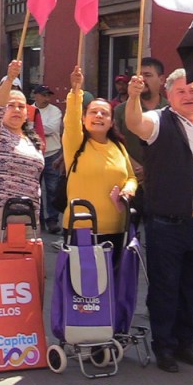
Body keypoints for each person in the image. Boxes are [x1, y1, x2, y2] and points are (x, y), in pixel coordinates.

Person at [125, 68, 193, 373]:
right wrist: (133, 96)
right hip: (168, 223)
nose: (189, 96)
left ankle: (184, 344)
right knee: (165, 288)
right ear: (168, 95)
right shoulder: (158, 119)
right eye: (181, 91)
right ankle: (164, 347)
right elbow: (135, 123)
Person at [62, 66, 137, 255]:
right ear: (84, 119)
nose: (98, 116)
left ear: (112, 122)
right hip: (81, 228)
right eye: (93, 112)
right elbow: (71, 119)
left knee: (113, 282)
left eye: (104, 113)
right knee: (85, 284)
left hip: (118, 229)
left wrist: (129, 189)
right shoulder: (75, 144)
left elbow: (132, 177)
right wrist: (76, 90)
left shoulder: (119, 147)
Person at [0, 60, 45, 242]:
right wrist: (9, 79)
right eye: (11, 105)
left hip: (29, 214)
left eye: (21, 106)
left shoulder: (32, 140)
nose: (16, 109)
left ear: (27, 113)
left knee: (27, 267)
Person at [114, 57, 166, 185]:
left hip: (162, 180)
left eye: (147, 75)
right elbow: (113, 143)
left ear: (161, 79)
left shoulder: (170, 110)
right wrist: (132, 165)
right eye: (138, 75)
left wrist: (151, 168)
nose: (141, 80)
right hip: (130, 181)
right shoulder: (121, 110)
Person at [32, 84, 63, 234]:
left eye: (48, 95)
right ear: (35, 95)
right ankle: (38, 219)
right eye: (43, 95)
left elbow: (51, 128)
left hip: (52, 153)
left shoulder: (55, 111)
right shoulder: (29, 110)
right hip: (34, 153)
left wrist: (35, 127)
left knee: (52, 188)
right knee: (34, 189)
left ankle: (52, 220)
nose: (46, 98)